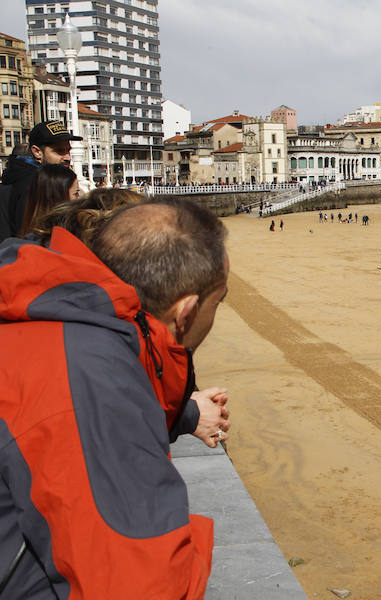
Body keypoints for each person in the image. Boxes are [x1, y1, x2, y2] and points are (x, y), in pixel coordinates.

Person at [0, 197, 229, 596]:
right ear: (187, 311)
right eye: (218, 301)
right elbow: (142, 583)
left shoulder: (53, 318)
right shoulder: (91, 378)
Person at [1, 120, 82, 241]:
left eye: (68, 150)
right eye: (59, 151)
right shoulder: (35, 184)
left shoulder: (24, 177)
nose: (67, 157)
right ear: (37, 152)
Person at [17, 164, 79, 237]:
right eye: (75, 193)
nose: (79, 197)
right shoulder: (63, 239)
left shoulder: (27, 239)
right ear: (57, 198)